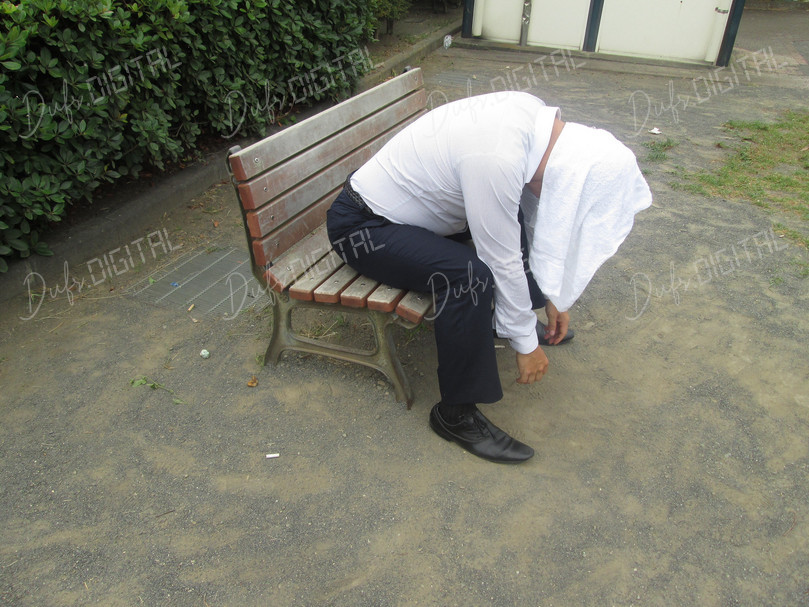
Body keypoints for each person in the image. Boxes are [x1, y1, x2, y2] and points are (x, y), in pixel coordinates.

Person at [326, 91, 652, 464]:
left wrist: (554, 297)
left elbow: (533, 226)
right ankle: (455, 414)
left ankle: (507, 322)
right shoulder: (497, 156)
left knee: (511, 220)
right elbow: (501, 260)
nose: (562, 203)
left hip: (414, 213)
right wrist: (526, 344)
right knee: (469, 277)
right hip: (363, 228)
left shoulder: (533, 120)